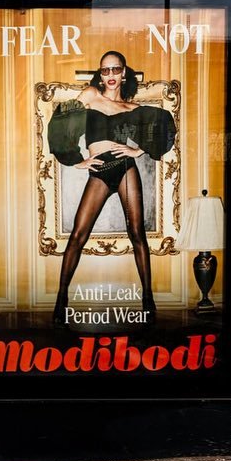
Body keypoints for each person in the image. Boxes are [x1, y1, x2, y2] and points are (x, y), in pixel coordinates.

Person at [47, 50, 175, 327]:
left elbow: (165, 125)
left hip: (126, 168)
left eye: (115, 70)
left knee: (137, 233)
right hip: (100, 170)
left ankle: (148, 300)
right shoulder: (91, 95)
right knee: (78, 235)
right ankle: (61, 300)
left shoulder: (132, 110)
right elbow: (60, 122)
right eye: (105, 71)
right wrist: (79, 161)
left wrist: (137, 150)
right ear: (100, 74)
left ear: (124, 72)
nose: (110, 76)